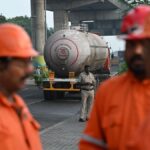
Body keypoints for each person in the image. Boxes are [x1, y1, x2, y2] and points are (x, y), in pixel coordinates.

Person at [79, 5, 150, 150]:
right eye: (131, 44)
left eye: (144, 43)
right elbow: (91, 144)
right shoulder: (108, 92)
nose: (137, 50)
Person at [0, 23, 42, 150]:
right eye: (21, 63)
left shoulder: (18, 104)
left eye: (28, 62)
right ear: (1, 64)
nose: (29, 70)